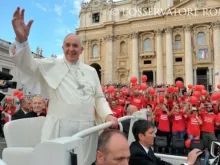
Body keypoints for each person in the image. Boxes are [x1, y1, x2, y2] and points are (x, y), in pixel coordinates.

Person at [10, 7, 117, 165]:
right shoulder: (51, 65)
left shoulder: (91, 71)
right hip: (58, 129)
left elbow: (98, 97)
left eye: (75, 46)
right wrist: (22, 41)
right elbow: (27, 66)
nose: (71, 49)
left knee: (85, 162)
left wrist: (107, 114)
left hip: (87, 131)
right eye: (67, 45)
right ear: (62, 48)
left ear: (81, 49)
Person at [129, 120, 203, 165]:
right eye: (151, 133)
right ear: (141, 136)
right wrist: (188, 163)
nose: (155, 136)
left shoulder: (146, 148)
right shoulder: (136, 154)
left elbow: (160, 163)